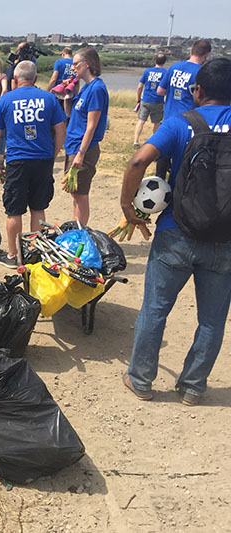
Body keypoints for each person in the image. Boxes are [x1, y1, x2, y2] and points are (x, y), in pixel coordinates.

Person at [120, 58, 231, 406]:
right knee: (212, 320)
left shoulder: (182, 123)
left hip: (175, 232)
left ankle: (141, 380)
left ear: (198, 91)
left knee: (155, 308)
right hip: (224, 240)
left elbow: (139, 160)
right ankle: (193, 386)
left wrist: (128, 207)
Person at [0, 61, 67, 268]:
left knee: (14, 211)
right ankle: (36, 253)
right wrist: (53, 153)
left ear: (15, 80)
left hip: (17, 161)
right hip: (43, 161)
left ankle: (14, 255)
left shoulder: (6, 100)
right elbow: (61, 131)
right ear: (35, 79)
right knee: (38, 208)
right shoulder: (49, 98)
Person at [63, 47, 109, 225]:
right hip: (73, 145)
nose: (72, 68)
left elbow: (92, 125)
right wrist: (68, 95)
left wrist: (81, 153)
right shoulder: (84, 88)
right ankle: (77, 226)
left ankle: (81, 231)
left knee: (81, 194)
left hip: (84, 148)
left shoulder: (97, 89)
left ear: (87, 65)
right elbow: (69, 115)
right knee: (74, 192)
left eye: (76, 64)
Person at [155, 39, 212, 180]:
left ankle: (159, 181)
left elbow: (160, 91)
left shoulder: (174, 67)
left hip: (169, 118)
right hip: (188, 122)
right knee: (181, 163)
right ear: (206, 56)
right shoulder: (201, 73)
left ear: (190, 51)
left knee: (164, 155)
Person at [133, 53, 168, 147]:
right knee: (156, 123)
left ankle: (136, 141)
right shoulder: (165, 73)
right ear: (164, 62)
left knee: (141, 121)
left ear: (155, 61)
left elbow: (140, 86)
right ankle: (154, 142)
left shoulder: (147, 71)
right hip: (158, 101)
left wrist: (138, 99)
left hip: (146, 99)